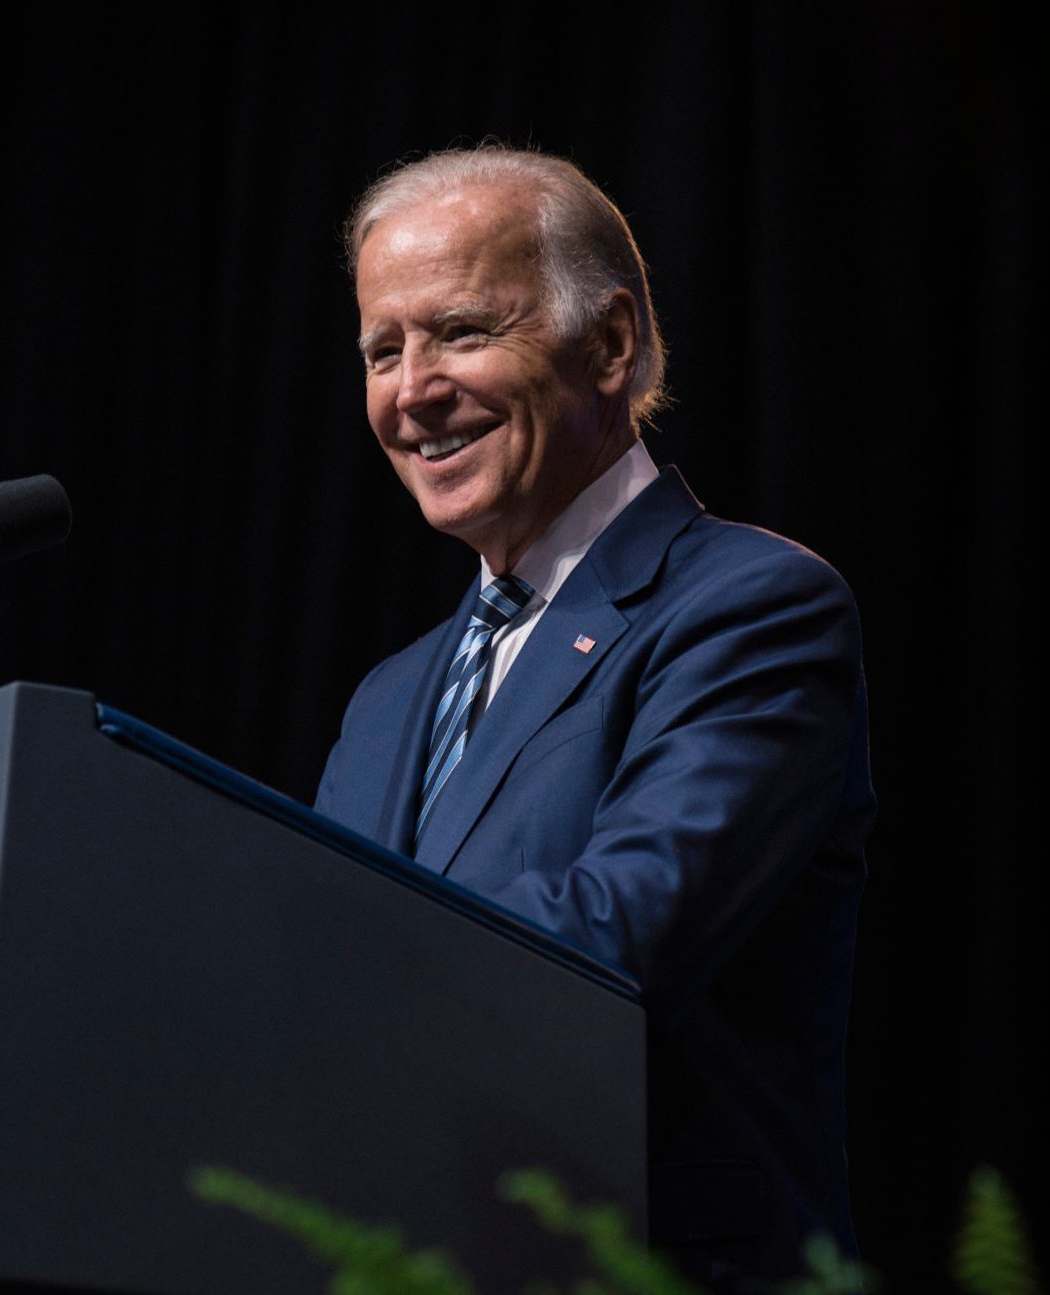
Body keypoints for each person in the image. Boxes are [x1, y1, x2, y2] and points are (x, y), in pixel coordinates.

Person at [314, 146, 875, 1283]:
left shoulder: (750, 606)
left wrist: (295, 1007)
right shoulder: (384, 699)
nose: (411, 388)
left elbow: (617, 929)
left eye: (460, 331)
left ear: (608, 345)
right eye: (383, 348)